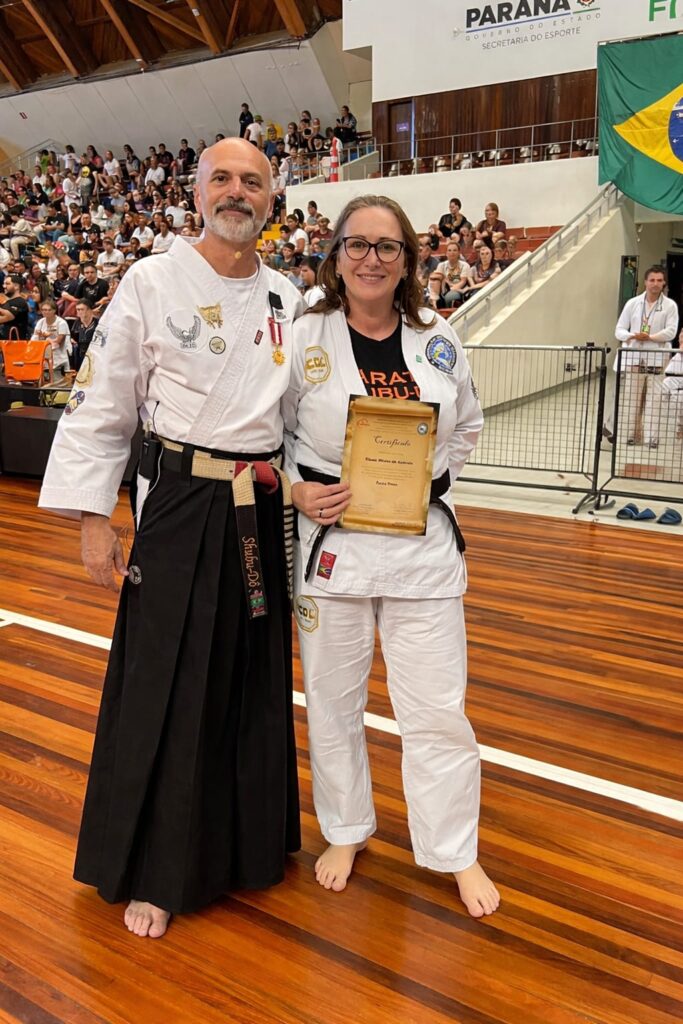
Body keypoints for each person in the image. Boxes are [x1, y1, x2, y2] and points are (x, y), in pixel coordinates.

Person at [38, 137, 304, 940]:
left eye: (251, 181)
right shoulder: (151, 281)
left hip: (260, 503)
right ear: (196, 195)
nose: (236, 192)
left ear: (270, 200)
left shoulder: (289, 298)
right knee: (167, 682)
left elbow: (304, 417)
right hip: (179, 503)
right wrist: (94, 517)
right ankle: (157, 868)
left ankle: (249, 848)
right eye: (221, 179)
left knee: (250, 676)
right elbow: (104, 398)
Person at [282, 194, 500, 919]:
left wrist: (431, 481)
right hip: (333, 546)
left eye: (387, 246)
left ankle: (454, 848)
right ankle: (345, 830)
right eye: (357, 244)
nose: (371, 259)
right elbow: (269, 430)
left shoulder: (437, 336)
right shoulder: (304, 334)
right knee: (333, 703)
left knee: (436, 709)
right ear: (336, 255)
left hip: (421, 549)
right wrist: (295, 489)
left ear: (407, 259)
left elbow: (467, 423)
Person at [613, 265, 679, 447]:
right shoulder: (632, 303)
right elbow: (619, 330)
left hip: (657, 359)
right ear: (645, 282)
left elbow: (671, 332)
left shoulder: (670, 306)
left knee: (654, 400)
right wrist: (632, 336)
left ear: (664, 283)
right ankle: (633, 435)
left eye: (659, 280)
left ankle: (652, 438)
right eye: (652, 280)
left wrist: (650, 337)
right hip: (635, 359)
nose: (655, 284)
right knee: (632, 400)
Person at [32, 298, 71, 377]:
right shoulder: (40, 322)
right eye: (44, 310)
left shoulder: (61, 323)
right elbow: (34, 340)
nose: (46, 312)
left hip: (58, 358)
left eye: (49, 310)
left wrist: (46, 337)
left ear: (54, 310)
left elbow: (58, 341)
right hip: (43, 358)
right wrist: (39, 337)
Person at [0, 274, 29, 339]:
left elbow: (9, 317)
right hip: (4, 341)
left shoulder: (20, 302)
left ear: (16, 286)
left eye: (7, 284)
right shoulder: (7, 302)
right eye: (4, 284)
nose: (4, 286)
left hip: (16, 342)